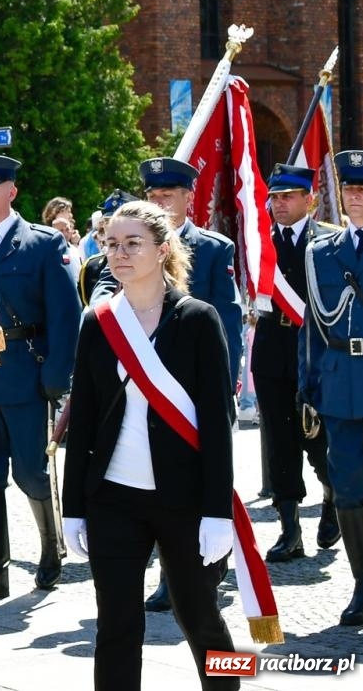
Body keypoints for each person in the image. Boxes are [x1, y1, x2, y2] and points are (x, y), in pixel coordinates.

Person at [61, 200, 237, 689]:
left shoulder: (199, 319)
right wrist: (73, 506)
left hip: (185, 498)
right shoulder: (98, 323)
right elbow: (86, 420)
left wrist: (217, 510)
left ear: (162, 250)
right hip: (113, 497)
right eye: (111, 243)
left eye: (132, 243)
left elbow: (219, 423)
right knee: (115, 627)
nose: (119, 253)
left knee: (203, 621)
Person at [0, 154, 81, 602]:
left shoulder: (43, 243)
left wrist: (56, 376)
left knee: (32, 472)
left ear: (11, 192)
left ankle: (51, 549)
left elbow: (65, 316)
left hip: (26, 374)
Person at [137, 157, 243, 612]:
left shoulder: (214, 249)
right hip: (149, 384)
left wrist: (226, 385)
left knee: (206, 477)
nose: (159, 202)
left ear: (187, 198)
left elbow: (230, 322)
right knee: (162, 480)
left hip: (199, 384)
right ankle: (172, 574)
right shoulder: (135, 246)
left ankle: (211, 565)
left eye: (168, 195)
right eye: (152, 196)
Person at [301, 149, 363, 626]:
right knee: (346, 484)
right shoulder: (322, 252)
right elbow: (313, 324)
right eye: (349, 188)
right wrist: (307, 388)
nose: (355, 196)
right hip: (341, 380)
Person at [253, 164, 335, 562]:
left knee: (316, 437)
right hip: (271, 349)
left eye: (287, 196)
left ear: (310, 200)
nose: (278, 204)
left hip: (314, 350)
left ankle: (333, 495)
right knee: (280, 441)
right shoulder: (258, 244)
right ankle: (290, 529)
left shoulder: (327, 242)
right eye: (273, 197)